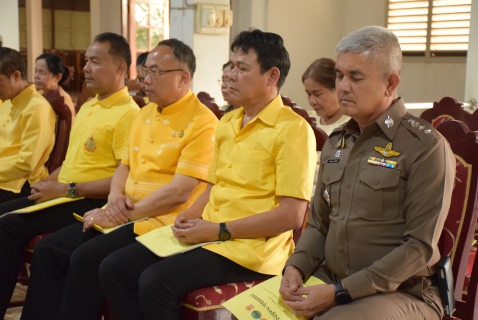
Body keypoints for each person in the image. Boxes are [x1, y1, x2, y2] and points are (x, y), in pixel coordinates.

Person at [99, 29, 317, 320]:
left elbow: (291, 215)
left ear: (272, 76)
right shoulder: (228, 122)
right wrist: (191, 214)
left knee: (155, 281)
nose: (231, 74)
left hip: (249, 250)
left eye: (242, 68)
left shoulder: (293, 130)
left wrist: (218, 230)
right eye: (231, 66)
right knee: (114, 267)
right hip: (211, 235)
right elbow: (213, 186)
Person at [20, 38, 218, 320]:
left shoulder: (203, 122)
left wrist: (122, 215)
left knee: (89, 259)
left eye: (155, 72)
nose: (145, 80)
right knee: (52, 249)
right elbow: (123, 167)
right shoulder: (145, 113)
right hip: (126, 211)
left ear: (183, 78)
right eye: (145, 70)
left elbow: (179, 193)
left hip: (161, 219)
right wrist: (112, 204)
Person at [279, 26, 455, 320]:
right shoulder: (337, 143)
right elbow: (319, 225)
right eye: (338, 75)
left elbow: (418, 248)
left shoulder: (425, 147)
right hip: (333, 280)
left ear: (390, 84)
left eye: (355, 77)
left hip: (402, 292)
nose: (342, 86)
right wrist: (295, 267)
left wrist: (341, 292)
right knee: (249, 310)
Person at [0, 32, 139, 318]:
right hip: (65, 192)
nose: (85, 68)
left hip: (89, 200)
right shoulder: (89, 105)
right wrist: (49, 181)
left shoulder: (128, 114)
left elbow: (121, 179)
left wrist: (66, 190)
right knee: (4, 218)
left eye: (94, 62)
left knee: (15, 230)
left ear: (120, 68)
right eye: (86, 61)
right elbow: (72, 161)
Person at [0, 47, 56, 202]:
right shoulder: (7, 102)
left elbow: (26, 164)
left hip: (20, 183)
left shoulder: (37, 107)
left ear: (16, 76)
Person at [302, 58, 350, 193]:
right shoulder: (304, 120)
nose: (312, 101)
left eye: (317, 94)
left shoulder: (351, 125)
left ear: (337, 88)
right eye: (308, 94)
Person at [34, 53, 76, 119]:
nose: (36, 76)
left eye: (42, 72)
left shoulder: (63, 100)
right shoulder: (40, 93)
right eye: (36, 71)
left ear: (57, 77)